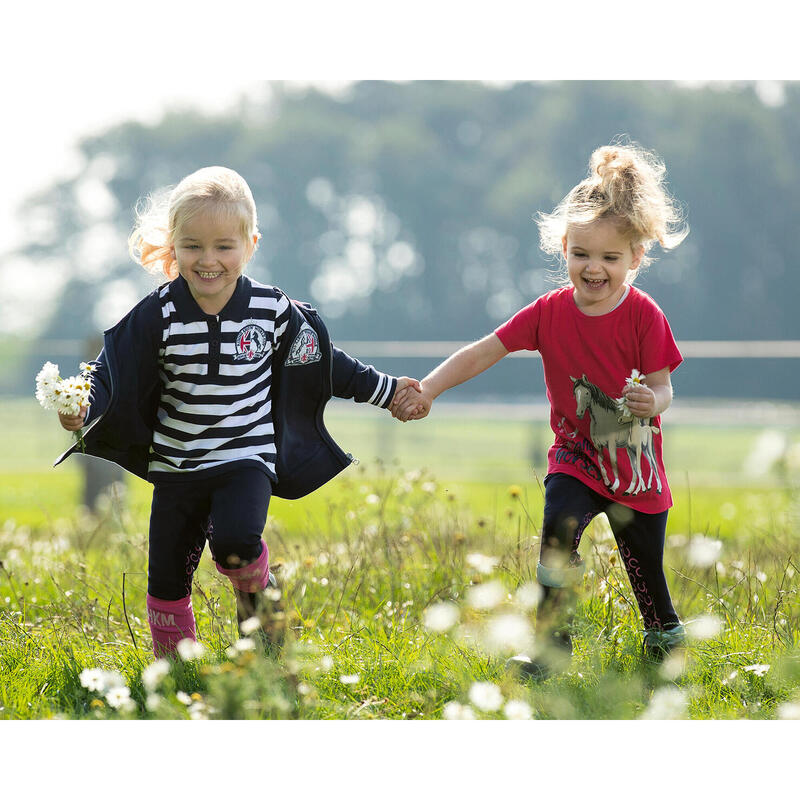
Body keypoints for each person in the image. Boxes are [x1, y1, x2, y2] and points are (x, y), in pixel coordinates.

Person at [54, 166, 420, 658]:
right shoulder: (158, 313)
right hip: (177, 465)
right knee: (166, 579)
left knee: (235, 543)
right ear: (175, 245)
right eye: (192, 246)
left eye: (224, 246)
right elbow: (109, 371)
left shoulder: (271, 310)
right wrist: (80, 404)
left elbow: (325, 364)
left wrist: (389, 391)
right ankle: (177, 670)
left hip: (246, 460)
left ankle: (264, 641)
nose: (208, 261)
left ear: (251, 243)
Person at [393, 141, 689, 677]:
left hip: (635, 469)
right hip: (575, 458)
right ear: (563, 248)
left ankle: (663, 636)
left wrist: (652, 400)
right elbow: (486, 349)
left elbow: (664, 387)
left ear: (636, 258)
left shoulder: (645, 316)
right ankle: (551, 648)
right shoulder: (548, 312)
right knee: (557, 535)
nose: (593, 268)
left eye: (609, 258)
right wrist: (430, 388)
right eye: (581, 254)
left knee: (644, 567)